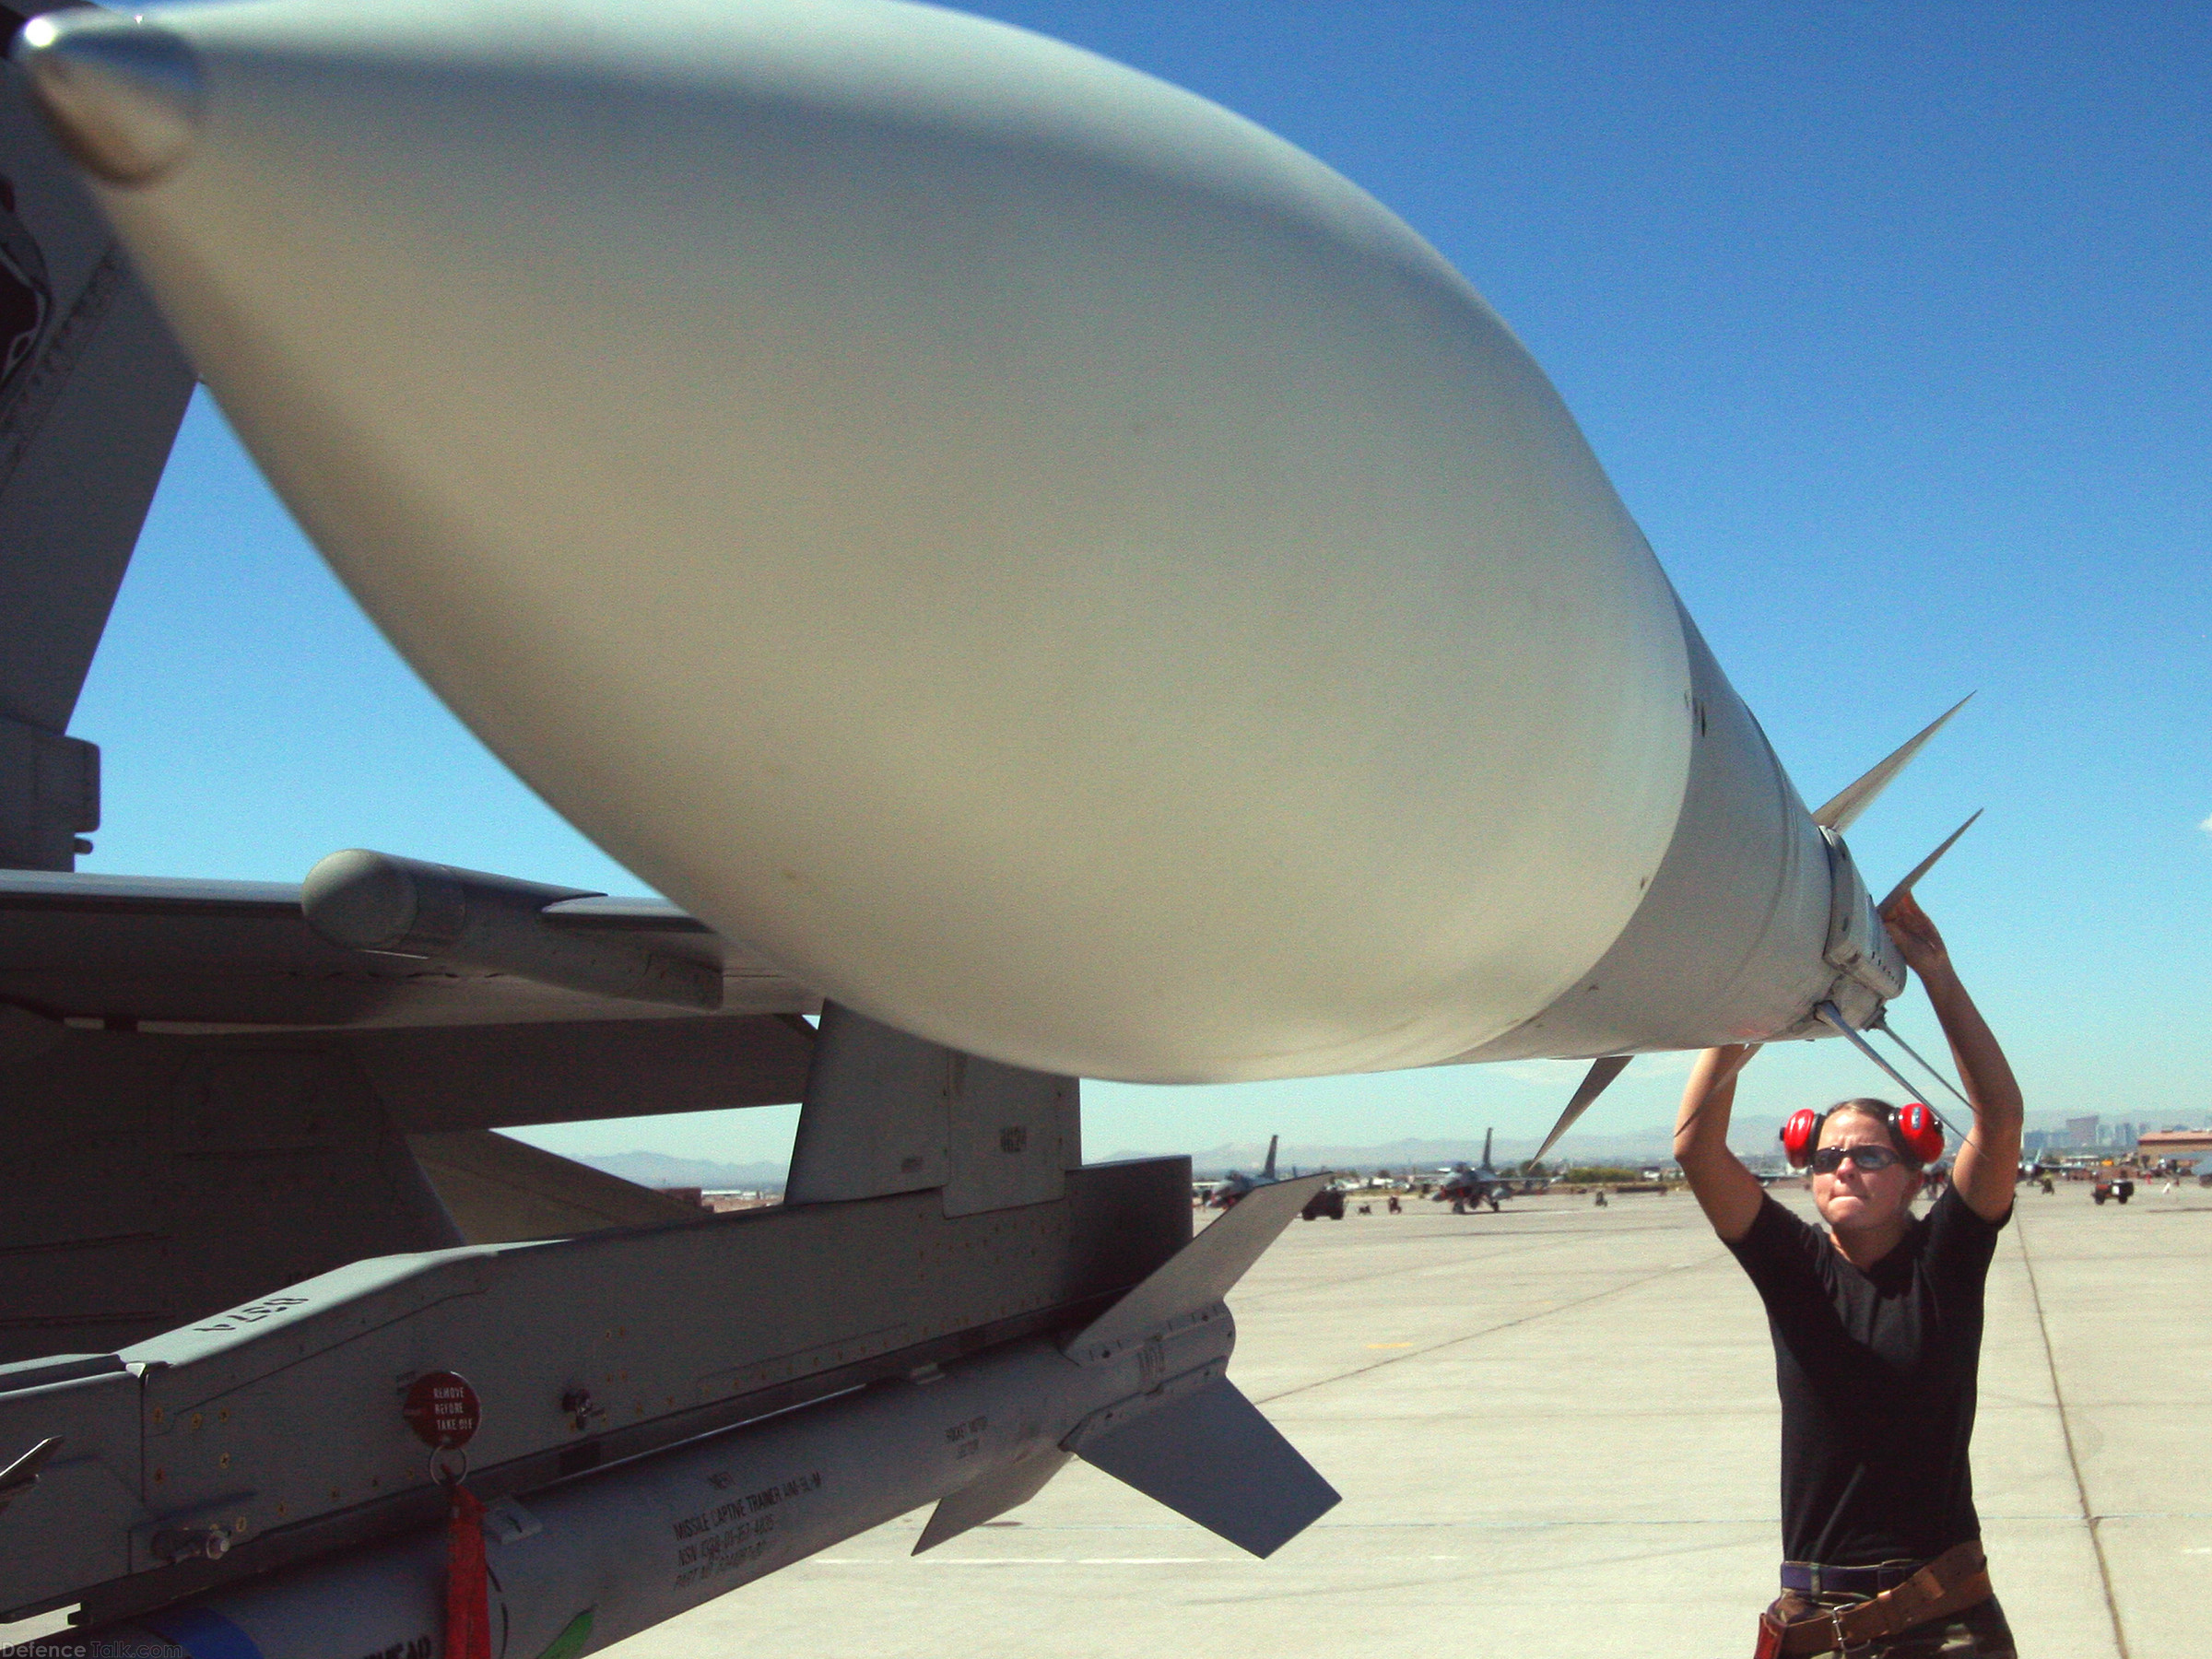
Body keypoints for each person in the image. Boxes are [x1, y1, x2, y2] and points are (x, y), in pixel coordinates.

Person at [1673, 893, 2024, 1657]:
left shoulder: (1946, 1263)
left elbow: (1998, 1122)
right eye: (1827, 1156)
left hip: (1946, 1615)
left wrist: (1936, 974)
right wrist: (1746, 1009)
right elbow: (1697, 1146)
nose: (1845, 1168)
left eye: (1869, 1155)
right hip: (1814, 1620)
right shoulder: (1793, 1268)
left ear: (1913, 1175)